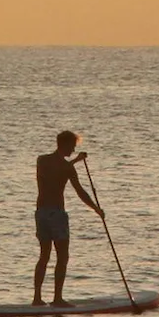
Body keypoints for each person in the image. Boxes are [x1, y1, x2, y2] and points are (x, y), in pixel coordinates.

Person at [34, 131, 104, 307]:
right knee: (61, 256)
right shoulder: (62, 166)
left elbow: (64, 178)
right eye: (72, 146)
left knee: (45, 255)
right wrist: (96, 209)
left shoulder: (43, 161)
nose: (73, 150)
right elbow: (76, 189)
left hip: (41, 213)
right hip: (56, 214)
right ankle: (56, 298)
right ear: (64, 144)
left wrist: (74, 162)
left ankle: (38, 298)